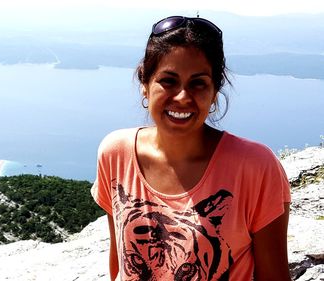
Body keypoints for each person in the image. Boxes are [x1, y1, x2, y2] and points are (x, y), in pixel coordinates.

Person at [91, 16, 291, 280]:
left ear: (215, 91)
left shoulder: (255, 166)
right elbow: (120, 264)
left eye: (198, 83)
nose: (183, 97)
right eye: (168, 81)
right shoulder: (115, 153)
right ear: (145, 84)